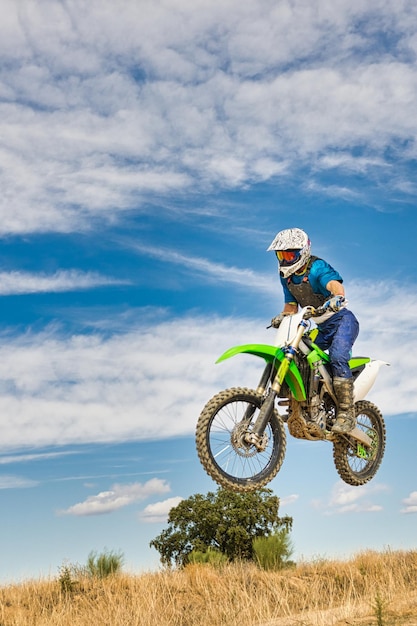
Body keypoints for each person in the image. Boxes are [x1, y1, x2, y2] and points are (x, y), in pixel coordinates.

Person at [267, 227, 359, 433]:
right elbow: (291, 308)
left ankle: (346, 412)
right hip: (321, 327)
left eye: (290, 254)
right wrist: (282, 318)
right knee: (297, 354)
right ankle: (298, 405)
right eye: (281, 255)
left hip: (342, 320)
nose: (285, 259)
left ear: (303, 252)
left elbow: (335, 285)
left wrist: (336, 298)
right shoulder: (287, 278)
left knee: (337, 357)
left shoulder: (317, 268)